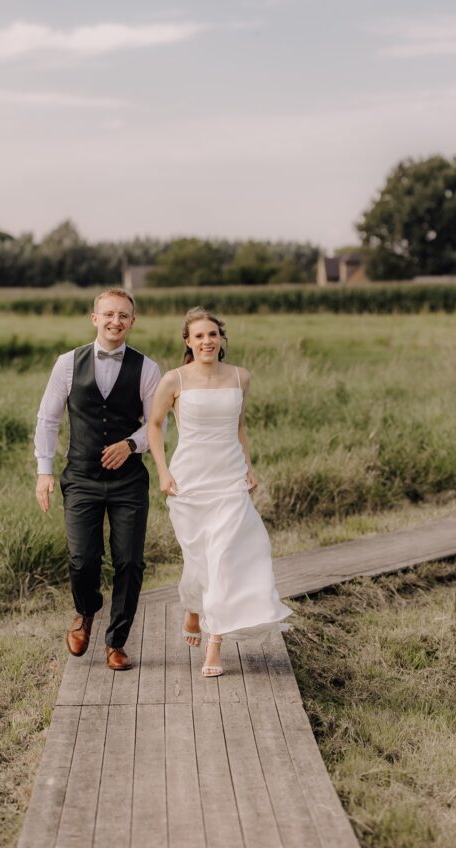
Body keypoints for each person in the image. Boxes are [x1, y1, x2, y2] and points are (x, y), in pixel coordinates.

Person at [147, 307, 291, 677]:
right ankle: (193, 610)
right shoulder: (174, 379)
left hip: (229, 478)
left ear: (220, 339)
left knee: (227, 555)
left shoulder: (240, 377)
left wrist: (248, 466)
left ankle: (215, 641)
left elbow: (239, 427)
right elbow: (156, 425)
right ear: (188, 342)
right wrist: (163, 472)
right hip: (189, 480)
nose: (207, 341)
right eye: (199, 336)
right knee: (200, 556)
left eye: (212, 335)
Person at [35, 288, 161, 671]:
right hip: (82, 478)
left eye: (123, 315)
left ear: (132, 322)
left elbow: (156, 425)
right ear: (95, 318)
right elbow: (48, 418)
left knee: (129, 562)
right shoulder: (67, 363)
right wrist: (44, 471)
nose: (115, 321)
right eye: (108, 314)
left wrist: (131, 444)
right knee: (81, 558)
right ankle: (86, 610)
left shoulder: (148, 368)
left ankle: (116, 642)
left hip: (128, 482)